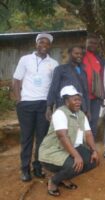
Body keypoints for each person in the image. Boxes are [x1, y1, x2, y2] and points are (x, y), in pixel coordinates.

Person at [12, 33, 59, 182]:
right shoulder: (25, 59)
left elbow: (54, 87)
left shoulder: (54, 63)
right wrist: (19, 100)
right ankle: (24, 169)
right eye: (41, 42)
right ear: (36, 44)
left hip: (44, 105)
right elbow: (16, 80)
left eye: (47, 43)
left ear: (50, 46)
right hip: (26, 104)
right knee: (26, 138)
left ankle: (37, 167)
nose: (43, 45)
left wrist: (50, 106)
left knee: (41, 138)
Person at [39, 85, 99, 197]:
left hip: (71, 147)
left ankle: (65, 177)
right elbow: (62, 136)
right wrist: (76, 156)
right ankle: (54, 181)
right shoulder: (60, 113)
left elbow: (88, 133)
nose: (78, 102)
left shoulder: (81, 114)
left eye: (79, 99)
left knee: (93, 161)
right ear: (66, 101)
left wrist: (94, 150)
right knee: (73, 164)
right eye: (75, 99)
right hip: (53, 150)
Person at [46, 45, 90, 120]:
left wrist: (87, 109)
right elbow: (53, 88)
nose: (79, 56)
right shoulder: (60, 69)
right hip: (65, 106)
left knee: (79, 131)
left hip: (81, 107)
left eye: (81, 54)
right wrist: (49, 106)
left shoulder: (83, 71)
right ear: (70, 54)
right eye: (76, 53)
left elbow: (85, 91)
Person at [83, 34, 105, 139]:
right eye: (90, 42)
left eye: (95, 43)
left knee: (94, 121)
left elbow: (103, 76)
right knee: (83, 121)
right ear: (86, 43)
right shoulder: (81, 55)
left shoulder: (100, 59)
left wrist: (103, 95)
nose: (92, 45)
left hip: (96, 97)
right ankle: (81, 146)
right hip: (82, 96)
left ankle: (92, 147)